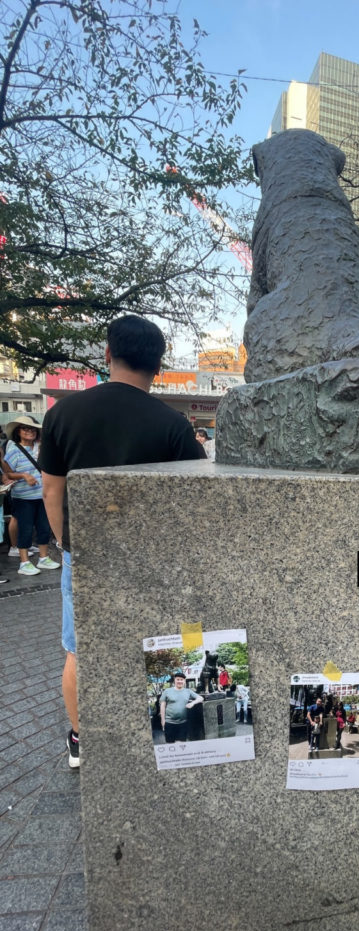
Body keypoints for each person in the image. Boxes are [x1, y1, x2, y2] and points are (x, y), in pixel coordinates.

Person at [40, 314, 206, 768]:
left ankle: (81, 739)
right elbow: (193, 504)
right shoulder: (173, 425)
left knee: (78, 649)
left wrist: (66, 544)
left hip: (85, 553)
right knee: (154, 640)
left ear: (108, 353)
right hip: (153, 559)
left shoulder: (62, 414)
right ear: (159, 366)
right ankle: (145, 735)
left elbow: (52, 490)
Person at [3, 416, 61, 576]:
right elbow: (7, 474)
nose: (30, 431)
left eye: (32, 428)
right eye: (25, 428)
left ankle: (43, 558)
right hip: (23, 498)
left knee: (43, 528)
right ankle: (24, 562)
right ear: (18, 432)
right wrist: (23, 475)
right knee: (25, 529)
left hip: (43, 496)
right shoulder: (14, 451)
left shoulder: (40, 448)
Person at [159, 672, 203, 744]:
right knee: (170, 745)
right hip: (169, 723)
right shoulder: (167, 691)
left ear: (184, 681)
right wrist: (162, 721)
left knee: (181, 745)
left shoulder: (188, 691)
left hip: (183, 723)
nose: (180, 681)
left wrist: (192, 703)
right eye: (178, 679)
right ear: (174, 680)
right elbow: (162, 706)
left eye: (181, 680)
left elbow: (200, 698)